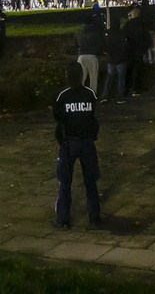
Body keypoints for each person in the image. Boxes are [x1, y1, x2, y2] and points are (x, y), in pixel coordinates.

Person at [53, 62, 101, 229]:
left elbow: (57, 116)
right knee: (91, 182)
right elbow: (93, 113)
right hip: (87, 142)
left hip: (68, 143)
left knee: (65, 182)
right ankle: (94, 218)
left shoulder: (62, 96)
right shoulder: (90, 94)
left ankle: (62, 219)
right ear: (81, 75)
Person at [123, 7, 151, 96]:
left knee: (129, 69)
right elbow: (147, 38)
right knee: (137, 70)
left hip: (129, 50)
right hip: (139, 51)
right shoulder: (143, 24)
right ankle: (136, 88)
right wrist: (145, 48)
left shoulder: (128, 25)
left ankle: (126, 89)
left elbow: (123, 36)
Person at [74, 15, 104, 93]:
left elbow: (75, 44)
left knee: (81, 77)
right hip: (92, 55)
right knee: (93, 77)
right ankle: (93, 94)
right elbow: (99, 44)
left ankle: (79, 94)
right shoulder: (95, 32)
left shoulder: (78, 32)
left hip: (81, 55)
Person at [101, 19, 128, 103]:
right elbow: (125, 46)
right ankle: (120, 97)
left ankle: (105, 95)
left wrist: (108, 52)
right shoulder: (121, 34)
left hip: (111, 59)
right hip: (120, 59)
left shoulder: (107, 34)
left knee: (109, 77)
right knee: (121, 79)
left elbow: (104, 45)